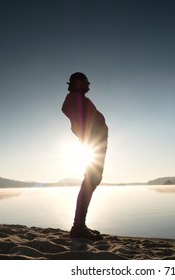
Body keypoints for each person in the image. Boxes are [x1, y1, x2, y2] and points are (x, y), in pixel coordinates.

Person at [62, 72, 108, 240]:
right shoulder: (72, 98)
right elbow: (69, 114)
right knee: (90, 180)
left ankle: (80, 225)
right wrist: (87, 133)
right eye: (87, 82)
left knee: (92, 180)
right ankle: (78, 227)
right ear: (78, 82)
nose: (89, 85)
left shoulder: (78, 98)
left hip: (96, 141)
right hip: (93, 141)